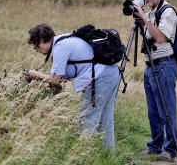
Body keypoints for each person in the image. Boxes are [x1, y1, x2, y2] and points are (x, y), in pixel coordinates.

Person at [26, 23, 120, 151]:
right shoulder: (64, 40)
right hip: (111, 73)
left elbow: (55, 80)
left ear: (42, 40)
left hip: (101, 77)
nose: (37, 50)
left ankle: (82, 157)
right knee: (105, 119)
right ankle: (109, 155)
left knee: (86, 119)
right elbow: (60, 76)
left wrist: (34, 73)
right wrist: (38, 75)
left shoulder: (60, 47)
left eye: (36, 46)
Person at [133, 0, 177, 161]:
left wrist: (144, 18)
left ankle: (170, 150)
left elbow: (159, 37)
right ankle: (155, 146)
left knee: (166, 109)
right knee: (153, 110)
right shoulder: (151, 12)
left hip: (164, 65)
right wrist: (142, 18)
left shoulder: (168, 12)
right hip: (150, 66)